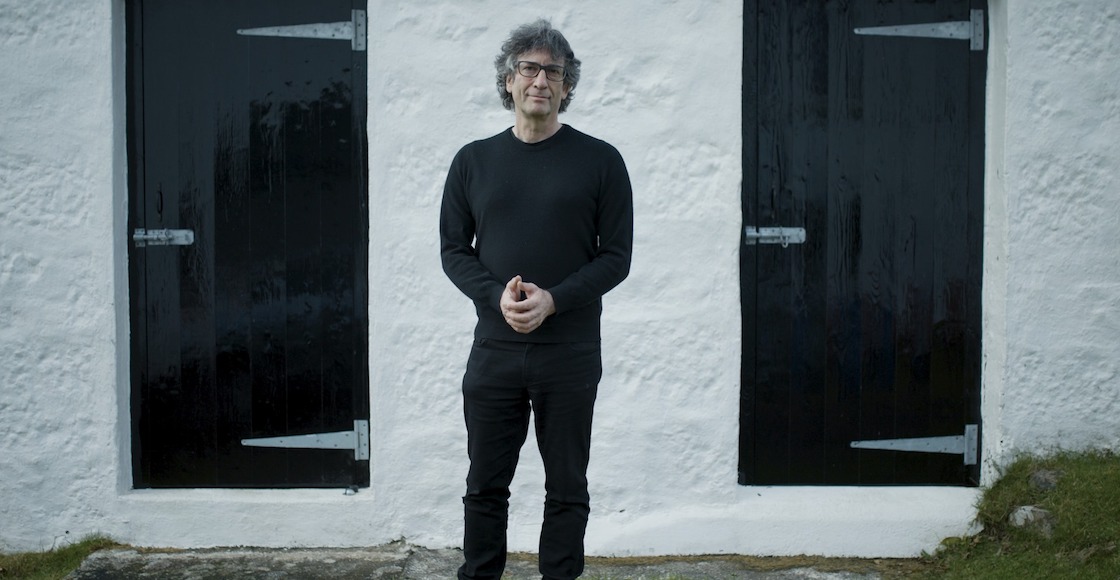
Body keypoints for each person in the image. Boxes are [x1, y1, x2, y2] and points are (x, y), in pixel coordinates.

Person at [439, 18, 634, 580]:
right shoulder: (473, 161)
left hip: (570, 351)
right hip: (494, 350)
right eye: (529, 68)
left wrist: (555, 301)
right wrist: (493, 296)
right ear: (509, 80)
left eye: (554, 71)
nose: (541, 80)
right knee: (484, 486)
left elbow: (616, 256)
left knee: (567, 488)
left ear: (567, 86)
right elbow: (454, 250)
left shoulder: (601, 161)